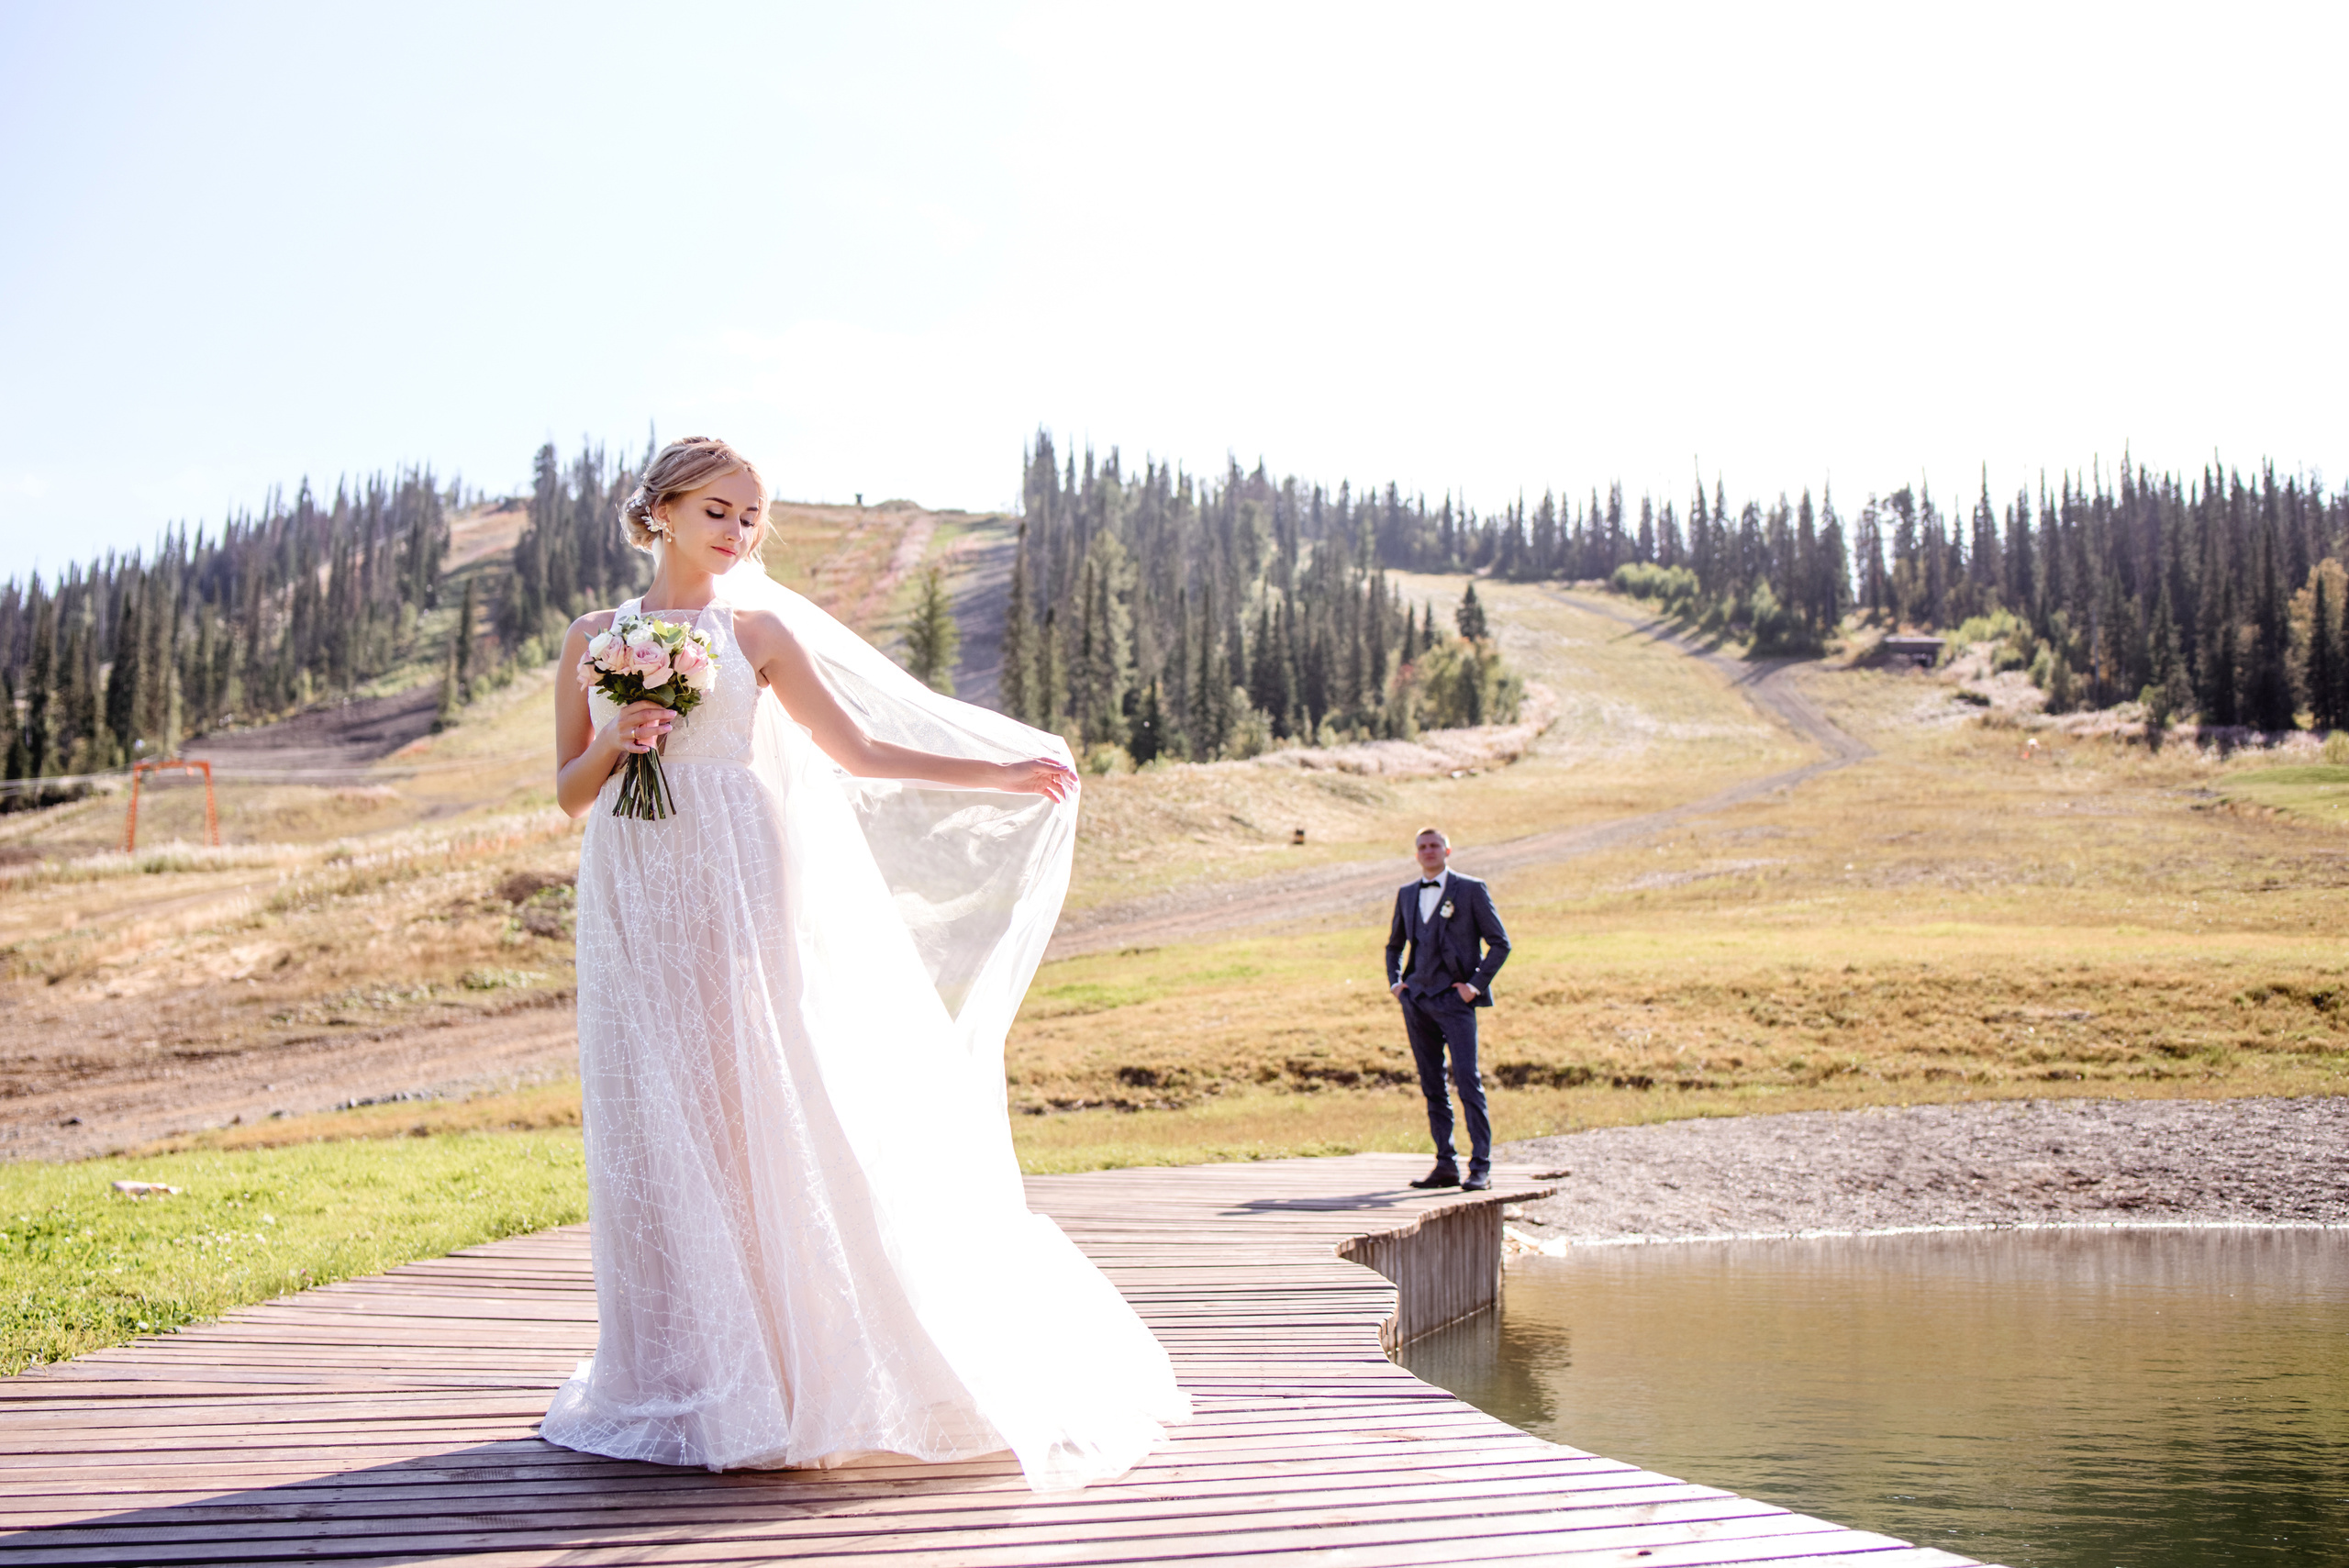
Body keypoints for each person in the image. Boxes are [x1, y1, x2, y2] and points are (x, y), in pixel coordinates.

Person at [540, 437, 1187, 1493]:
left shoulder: (758, 630)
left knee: (753, 1095)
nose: (739, 532)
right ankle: (679, 1364)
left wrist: (1000, 772)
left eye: (752, 517)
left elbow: (861, 751)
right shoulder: (589, 636)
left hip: (736, 871)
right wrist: (625, 739)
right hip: (629, 883)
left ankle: (790, 1361)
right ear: (658, 511)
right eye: (719, 510)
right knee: (654, 1111)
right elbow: (568, 792)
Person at [1385, 828, 1510, 1192]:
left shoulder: (1471, 889)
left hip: (1455, 1002)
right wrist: (1396, 984)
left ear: (1447, 850)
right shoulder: (1407, 894)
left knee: (1467, 1081)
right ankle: (1445, 1164)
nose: (1428, 851)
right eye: (1422, 847)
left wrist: (1473, 987)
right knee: (1431, 1084)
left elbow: (1500, 943)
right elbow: (1394, 945)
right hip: (1417, 1001)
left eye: (1434, 845)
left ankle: (1480, 1167)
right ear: (1416, 854)